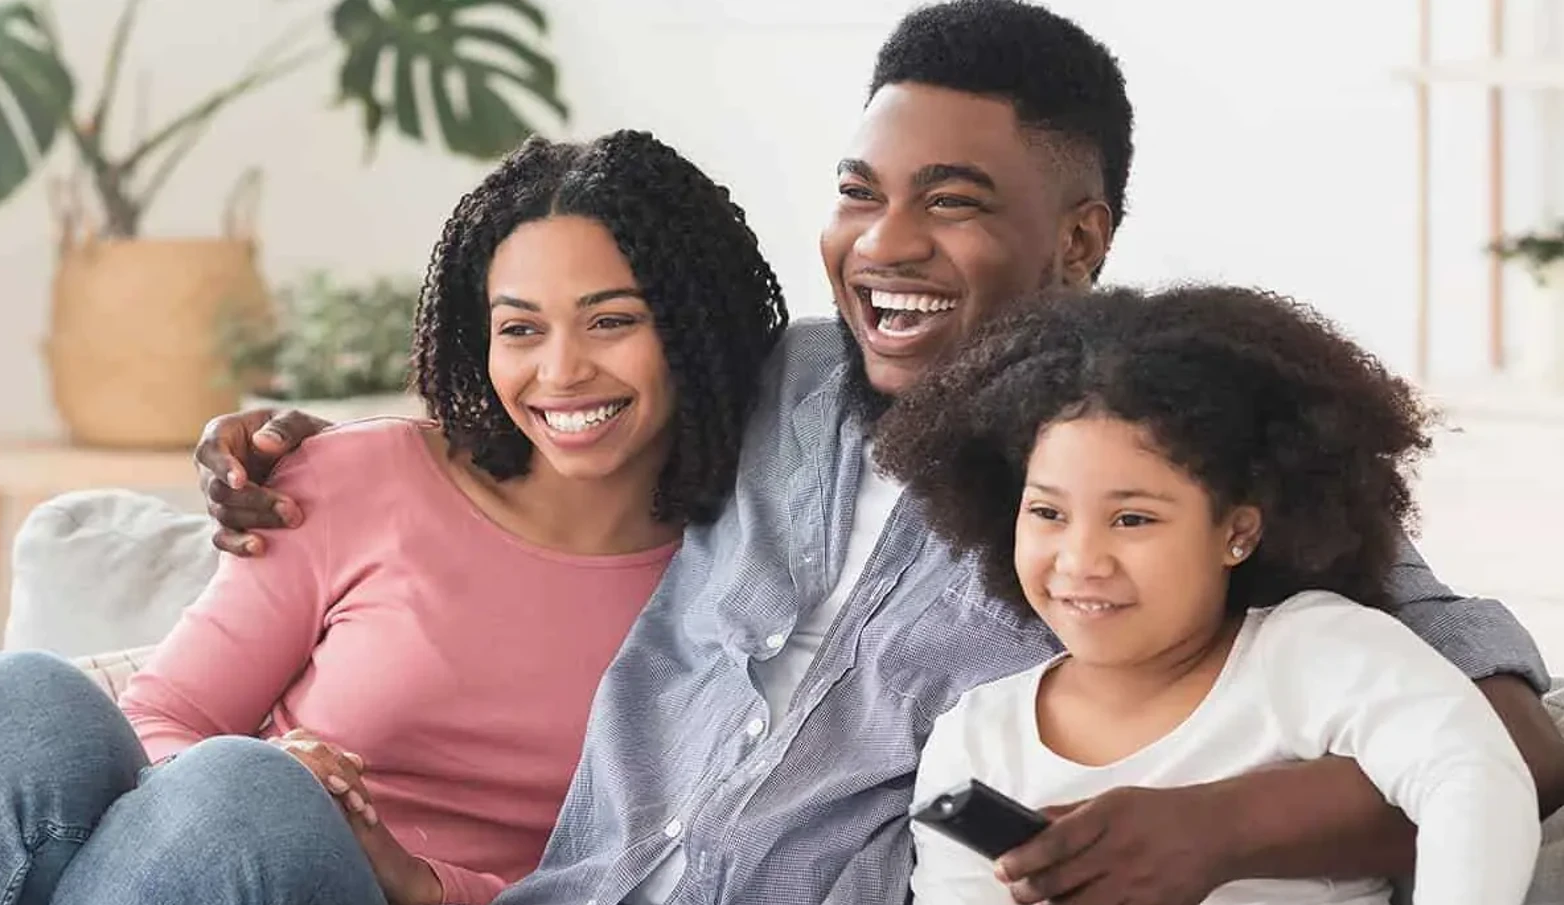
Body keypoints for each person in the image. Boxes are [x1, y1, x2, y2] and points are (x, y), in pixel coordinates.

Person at [190, 2, 1564, 904]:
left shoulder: (1156, 461)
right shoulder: (764, 376)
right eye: (860, 194)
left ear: (1078, 242)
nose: (885, 245)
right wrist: (296, 447)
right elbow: (549, 401)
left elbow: (1515, 732)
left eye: (951, 204)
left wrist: (1221, 826)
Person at [0, 129, 790, 905]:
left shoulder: (744, 577)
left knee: (249, 800)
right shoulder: (357, 481)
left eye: (611, 319)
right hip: (206, 867)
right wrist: (290, 774)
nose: (561, 368)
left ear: (694, 328)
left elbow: (668, 872)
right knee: (12, 697)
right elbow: (164, 717)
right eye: (520, 328)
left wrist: (411, 875)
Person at [880, 284, 1540, 905]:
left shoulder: (1312, 654)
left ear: (1237, 530)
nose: (1080, 559)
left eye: (1133, 518)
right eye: (1048, 513)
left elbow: (1475, 776)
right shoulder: (976, 739)